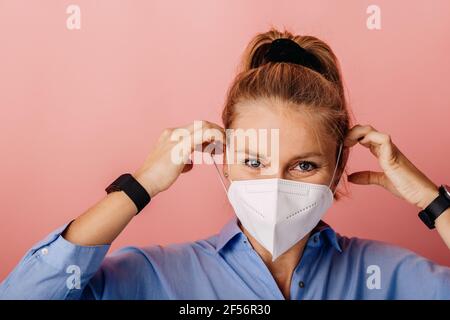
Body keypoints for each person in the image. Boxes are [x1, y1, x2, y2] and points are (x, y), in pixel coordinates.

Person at [1, 28, 449, 300]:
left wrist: (433, 201)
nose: (274, 184)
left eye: (304, 166)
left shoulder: (387, 276)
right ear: (223, 160)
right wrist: (141, 187)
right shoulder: (157, 278)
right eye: (254, 160)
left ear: (338, 166)